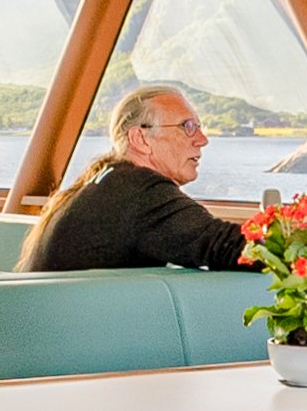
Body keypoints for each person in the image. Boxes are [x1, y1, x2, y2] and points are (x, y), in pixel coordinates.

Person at [15, 84, 246, 271]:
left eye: (198, 126)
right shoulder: (142, 190)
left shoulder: (108, 182)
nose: (202, 139)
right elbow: (229, 247)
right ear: (141, 139)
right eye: (187, 126)